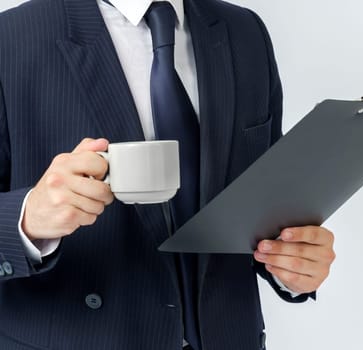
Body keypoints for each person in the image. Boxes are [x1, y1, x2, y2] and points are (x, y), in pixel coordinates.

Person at [0, 0, 337, 349]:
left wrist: (295, 264)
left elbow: (262, 205)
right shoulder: (9, 39)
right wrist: (27, 219)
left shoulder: (245, 31)